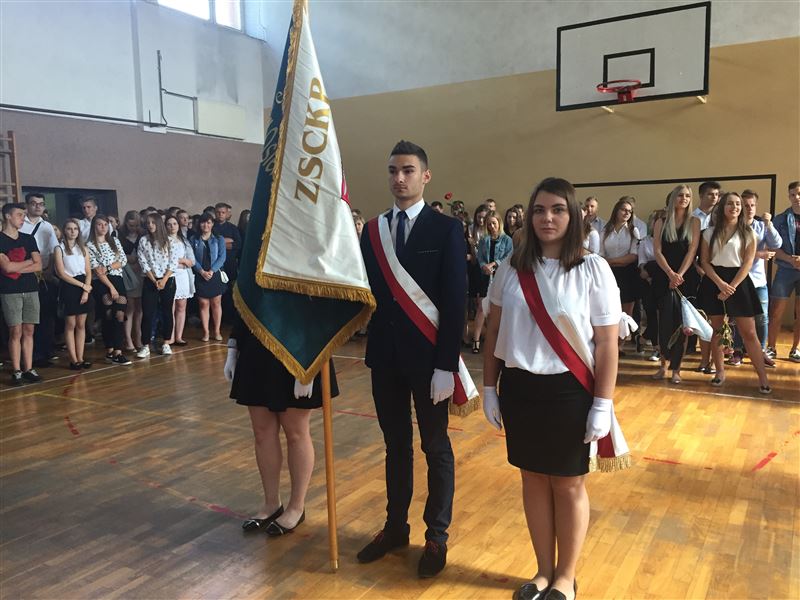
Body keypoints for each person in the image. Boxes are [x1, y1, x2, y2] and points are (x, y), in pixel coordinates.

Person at [482, 177, 624, 600]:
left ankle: (566, 577)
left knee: (567, 484)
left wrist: (602, 403)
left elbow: (607, 343)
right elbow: (493, 332)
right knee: (532, 479)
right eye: (540, 210)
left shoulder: (593, 269)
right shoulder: (512, 268)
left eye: (558, 209)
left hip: (569, 390)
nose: (547, 218)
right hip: (520, 388)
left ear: (573, 215)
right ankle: (543, 571)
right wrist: (489, 387)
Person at [357, 140, 466, 578]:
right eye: (392, 171)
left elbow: (455, 302)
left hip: (429, 361)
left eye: (407, 170)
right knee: (395, 445)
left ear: (425, 176)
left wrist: (446, 365)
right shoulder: (373, 231)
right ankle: (395, 527)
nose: (398, 178)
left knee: (435, 447)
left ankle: (436, 535)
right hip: (385, 357)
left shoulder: (446, 230)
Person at [224, 314, 338, 535]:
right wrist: (233, 347)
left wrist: (310, 363)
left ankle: (297, 507)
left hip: (299, 349)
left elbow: (321, 311)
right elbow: (244, 302)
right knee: (262, 433)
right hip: (256, 348)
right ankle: (271, 504)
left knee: (296, 433)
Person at [699, 192, 770, 393]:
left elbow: (748, 263)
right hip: (714, 281)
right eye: (730, 203)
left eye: (738, 204)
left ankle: (763, 377)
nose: (735, 207)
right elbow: (704, 261)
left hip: (739, 282)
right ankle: (719, 372)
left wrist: (731, 286)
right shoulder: (709, 233)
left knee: (749, 333)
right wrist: (720, 284)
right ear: (722, 207)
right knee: (717, 331)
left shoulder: (749, 233)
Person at [650, 186, 701, 384]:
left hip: (685, 279)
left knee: (683, 325)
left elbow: (692, 251)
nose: (684, 199)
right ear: (673, 198)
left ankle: (676, 370)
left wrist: (679, 274)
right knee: (664, 323)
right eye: (680, 195)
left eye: (688, 196)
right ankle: (663, 366)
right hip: (664, 277)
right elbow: (657, 251)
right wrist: (670, 273)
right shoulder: (661, 222)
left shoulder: (694, 222)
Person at [728, 190, 782, 367]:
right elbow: (733, 252)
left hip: (758, 281)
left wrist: (769, 224)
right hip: (738, 279)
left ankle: (761, 351)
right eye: (746, 205)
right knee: (737, 317)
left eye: (752, 205)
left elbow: (777, 244)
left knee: (762, 318)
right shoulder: (733, 226)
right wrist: (758, 254)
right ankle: (737, 350)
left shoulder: (761, 225)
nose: (749, 208)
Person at [0, 203, 43, 385]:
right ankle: (16, 369)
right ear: (7, 216)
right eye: (19, 215)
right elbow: (6, 267)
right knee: (15, 330)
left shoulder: (28, 238)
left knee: (29, 330)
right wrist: (28, 262)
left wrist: (16, 266)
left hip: (31, 288)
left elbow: (38, 264)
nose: (23, 219)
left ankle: (29, 368)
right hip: (10, 290)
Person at [86, 214, 131, 365]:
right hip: (101, 282)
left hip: (117, 278)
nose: (103, 227)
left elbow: (123, 260)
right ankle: (110, 349)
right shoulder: (89, 245)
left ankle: (118, 350)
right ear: (94, 226)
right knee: (108, 314)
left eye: (105, 224)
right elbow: (97, 270)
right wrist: (111, 287)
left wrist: (109, 267)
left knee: (119, 313)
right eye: (99, 224)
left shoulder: (114, 241)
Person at [20, 192, 59, 368]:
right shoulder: (20, 224)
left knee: (46, 315)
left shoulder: (47, 226)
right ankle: (31, 354)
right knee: (28, 317)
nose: (38, 207)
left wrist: (49, 271)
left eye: (41, 204)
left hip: (44, 275)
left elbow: (53, 251)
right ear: (27, 205)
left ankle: (46, 350)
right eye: (34, 203)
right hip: (25, 273)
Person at [136, 214, 179, 357]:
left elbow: (173, 262)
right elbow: (143, 261)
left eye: (153, 222)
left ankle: (166, 342)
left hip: (168, 279)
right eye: (148, 222)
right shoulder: (144, 240)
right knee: (147, 313)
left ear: (159, 223)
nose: (150, 225)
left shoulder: (170, 241)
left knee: (167, 312)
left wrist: (164, 279)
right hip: (150, 279)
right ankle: (145, 345)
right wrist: (154, 280)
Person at [766, 180, 800, 362]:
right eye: (793, 194)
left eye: (799, 194)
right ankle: (771, 347)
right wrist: (789, 259)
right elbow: (773, 246)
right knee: (776, 311)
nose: (797, 197)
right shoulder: (780, 219)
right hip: (785, 270)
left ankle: (796, 349)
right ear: (789, 196)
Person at [53, 219, 92, 370]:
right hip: (69, 285)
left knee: (81, 324)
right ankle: (73, 359)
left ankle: (80, 357)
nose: (73, 231)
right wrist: (82, 286)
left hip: (83, 285)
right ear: (65, 230)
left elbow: (88, 270)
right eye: (69, 229)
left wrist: (86, 289)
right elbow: (61, 273)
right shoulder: (59, 248)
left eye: (75, 229)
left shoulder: (83, 248)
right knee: (71, 324)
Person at [474, 210, 513, 353]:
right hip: (485, 277)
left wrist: (495, 264)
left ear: (499, 223)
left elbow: (509, 256)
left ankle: (496, 340)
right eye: (489, 224)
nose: (491, 226)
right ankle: (476, 340)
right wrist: (484, 266)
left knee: (497, 309)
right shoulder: (484, 240)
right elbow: (480, 257)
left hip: (500, 277)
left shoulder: (507, 240)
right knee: (481, 308)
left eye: (494, 223)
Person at [600, 198, 641, 322]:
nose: (627, 213)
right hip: (609, 273)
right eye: (624, 210)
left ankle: (626, 334)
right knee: (610, 309)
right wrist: (609, 262)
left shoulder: (633, 231)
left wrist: (610, 261)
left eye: (630, 211)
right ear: (616, 211)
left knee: (626, 314)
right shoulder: (605, 231)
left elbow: (633, 256)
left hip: (627, 273)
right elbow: (600, 254)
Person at [191, 213, 226, 341]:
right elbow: (192, 258)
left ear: (212, 224)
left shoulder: (219, 238)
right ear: (199, 224)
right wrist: (201, 271)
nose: (206, 225)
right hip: (200, 274)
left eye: (209, 222)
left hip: (215, 273)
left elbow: (222, 257)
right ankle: (206, 332)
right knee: (203, 304)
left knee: (216, 303)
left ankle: (217, 331)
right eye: (203, 222)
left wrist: (212, 270)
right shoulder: (193, 239)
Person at [165, 215, 194, 346]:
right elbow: (164, 260)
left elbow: (191, 261)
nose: (172, 226)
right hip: (169, 275)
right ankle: (170, 336)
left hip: (183, 275)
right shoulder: (163, 241)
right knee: (170, 307)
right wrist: (181, 261)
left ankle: (179, 336)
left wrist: (183, 261)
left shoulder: (184, 241)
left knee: (181, 307)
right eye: (169, 224)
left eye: (175, 223)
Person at [119, 210, 144, 351]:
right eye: (130, 225)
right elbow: (117, 254)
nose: (133, 228)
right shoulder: (120, 236)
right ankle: (128, 339)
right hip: (127, 273)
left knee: (140, 308)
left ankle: (138, 337)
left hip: (141, 272)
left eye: (136, 225)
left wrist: (138, 261)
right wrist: (128, 259)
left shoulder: (143, 236)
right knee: (130, 307)